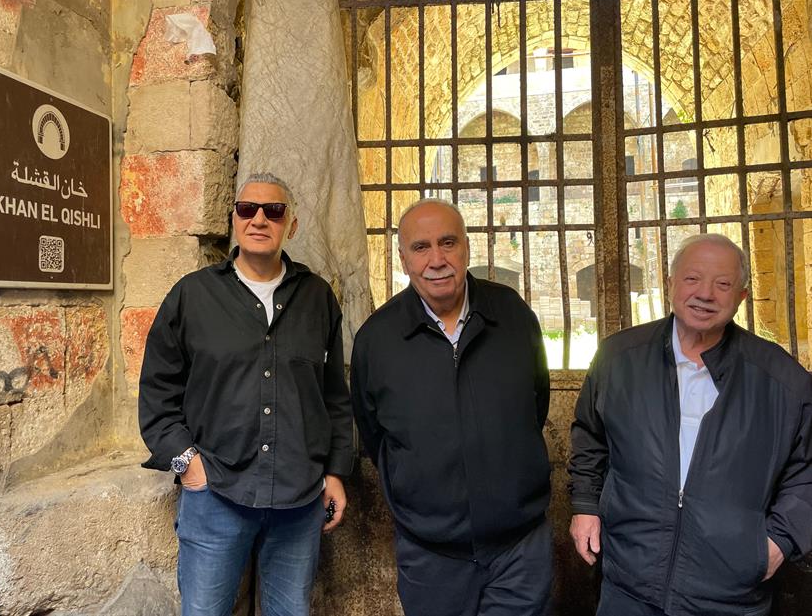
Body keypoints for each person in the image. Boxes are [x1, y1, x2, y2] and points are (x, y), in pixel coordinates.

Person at [138, 173, 353, 616]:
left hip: (299, 500)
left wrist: (335, 471)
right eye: (247, 209)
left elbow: (333, 396)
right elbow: (158, 393)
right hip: (215, 493)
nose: (259, 219)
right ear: (234, 220)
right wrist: (188, 465)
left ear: (291, 225)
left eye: (273, 211)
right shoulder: (192, 295)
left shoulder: (317, 298)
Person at [569, 233, 812, 616]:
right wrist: (585, 505)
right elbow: (590, 436)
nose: (705, 294)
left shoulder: (781, 380)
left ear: (742, 296)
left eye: (723, 284)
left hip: (730, 595)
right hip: (628, 585)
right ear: (670, 284)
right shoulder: (618, 359)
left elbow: (807, 471)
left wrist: (779, 541)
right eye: (692, 278)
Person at [351, 198, 552, 616]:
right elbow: (374, 433)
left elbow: (536, 403)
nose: (437, 260)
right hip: (431, 557)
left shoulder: (512, 316)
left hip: (519, 551)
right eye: (421, 247)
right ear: (403, 259)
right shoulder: (378, 338)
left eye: (448, 243)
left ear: (467, 247)